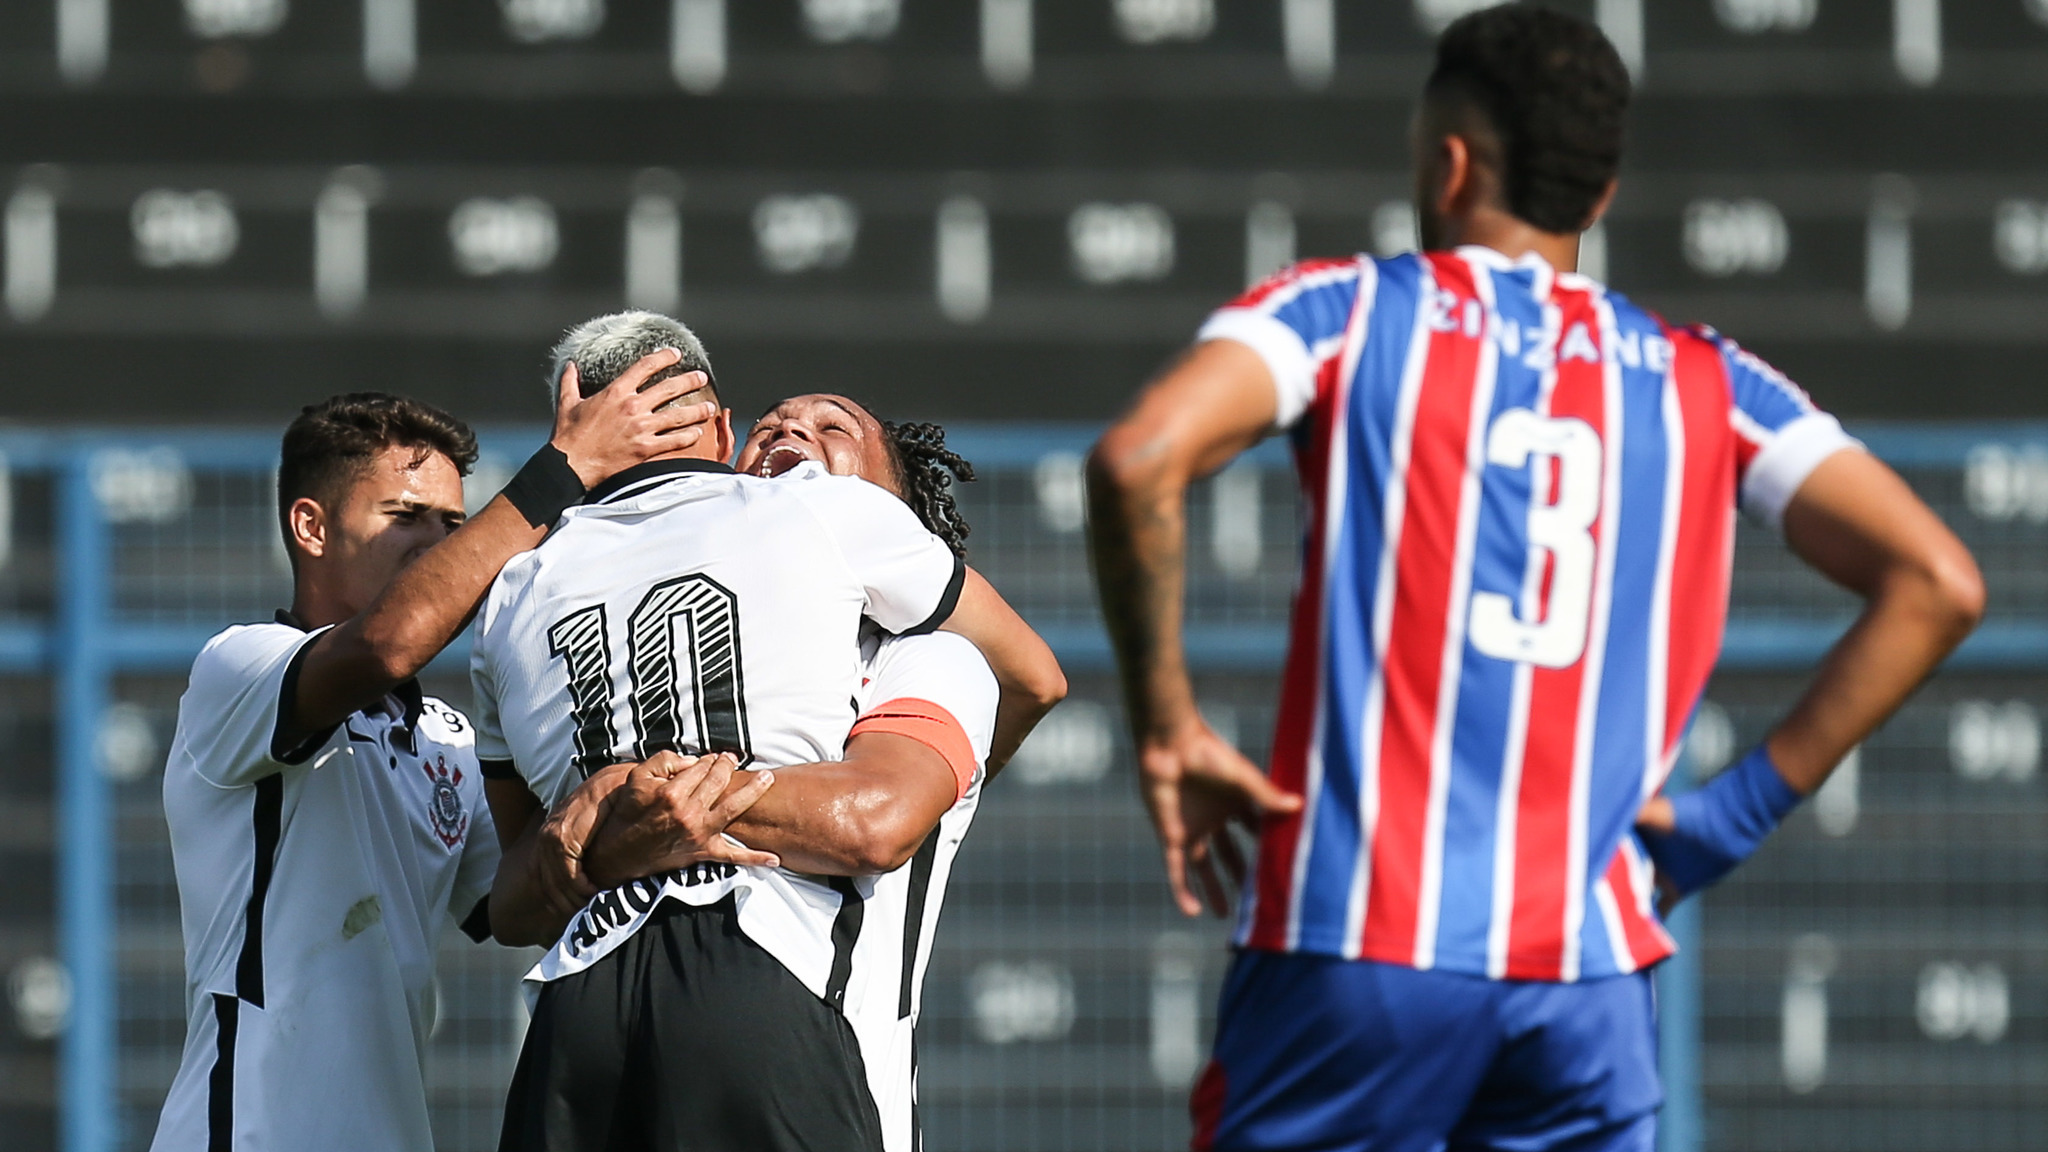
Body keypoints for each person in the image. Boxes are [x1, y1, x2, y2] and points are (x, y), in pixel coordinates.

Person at [1085, 7, 1985, 1151]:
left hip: (1354, 949)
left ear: (1445, 163)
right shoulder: (1706, 380)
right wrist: (1727, 815)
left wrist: (1165, 723)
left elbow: (1138, 460)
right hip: (1587, 979)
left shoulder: (1346, 311)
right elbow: (1937, 581)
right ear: (1597, 197)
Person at [472, 315, 1061, 1152]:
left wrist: (631, 814)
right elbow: (514, 894)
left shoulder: (933, 662)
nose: (791, 434)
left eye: (834, 429)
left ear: (895, 519)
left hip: (780, 1017)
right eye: (771, 423)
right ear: (720, 448)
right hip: (687, 1013)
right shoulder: (763, 555)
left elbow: (874, 820)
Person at [150, 363, 711, 1152]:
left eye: (452, 522)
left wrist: (621, 824)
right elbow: (388, 643)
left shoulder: (445, 734)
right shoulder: (237, 669)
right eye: (405, 514)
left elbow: (516, 905)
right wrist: (563, 471)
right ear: (311, 527)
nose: (438, 542)